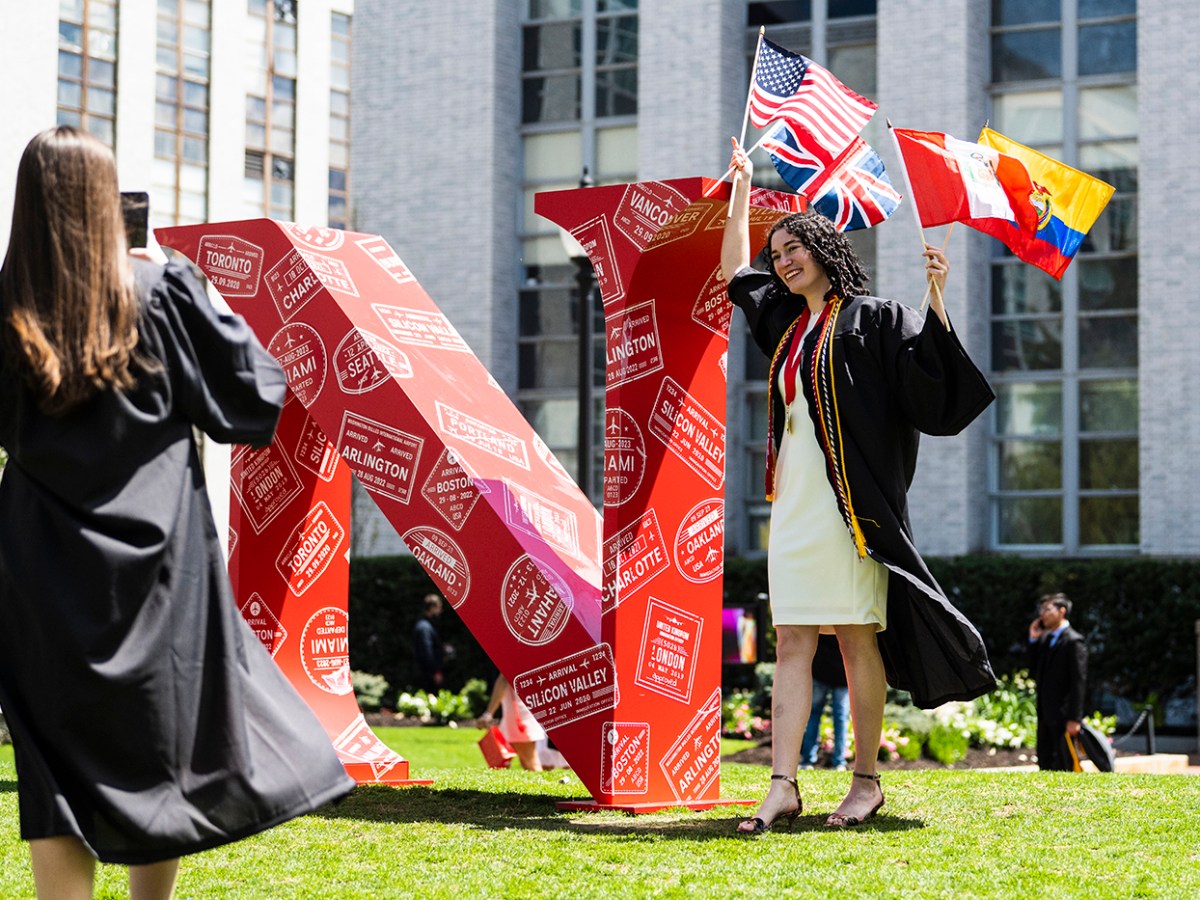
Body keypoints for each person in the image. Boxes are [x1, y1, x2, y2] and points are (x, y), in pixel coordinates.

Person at [0, 126, 354, 899]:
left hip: (37, 565)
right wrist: (174, 280)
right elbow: (250, 399)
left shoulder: (6, 311)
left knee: (52, 767)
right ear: (105, 204)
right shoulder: (156, 293)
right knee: (157, 751)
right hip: (160, 563)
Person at [721, 140, 996, 834]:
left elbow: (932, 390)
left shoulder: (875, 318)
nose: (783, 260)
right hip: (794, 509)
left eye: (794, 248)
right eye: (777, 251)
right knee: (790, 640)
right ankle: (782, 785)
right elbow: (733, 274)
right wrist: (741, 188)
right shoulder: (786, 327)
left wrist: (936, 298)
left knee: (852, 639)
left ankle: (865, 781)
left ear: (825, 250)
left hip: (853, 513)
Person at [1027, 592, 1088, 771]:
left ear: (1062, 611)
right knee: (1045, 759)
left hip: (1063, 714)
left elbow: (1079, 682)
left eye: (1047, 609)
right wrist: (1033, 639)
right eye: (1041, 609)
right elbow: (1034, 669)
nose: (1042, 614)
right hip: (1046, 710)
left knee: (1064, 761)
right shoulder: (1045, 639)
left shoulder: (1074, 642)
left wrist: (1074, 718)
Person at [800, 634, 849, 771]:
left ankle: (807, 760)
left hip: (821, 669)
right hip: (842, 673)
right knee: (840, 718)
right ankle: (839, 762)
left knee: (814, 714)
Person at [479, 675, 546, 771]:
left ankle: (542, 786)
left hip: (518, 715)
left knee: (530, 763)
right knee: (525, 762)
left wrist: (488, 713)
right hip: (518, 712)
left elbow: (503, 680)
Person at [411, 593, 445, 693]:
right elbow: (427, 652)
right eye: (438, 608)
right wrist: (436, 672)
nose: (440, 611)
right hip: (427, 675)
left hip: (426, 673)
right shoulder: (425, 627)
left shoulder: (425, 625)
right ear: (431, 608)